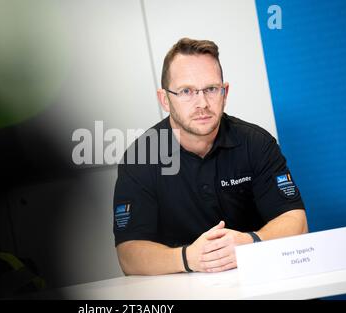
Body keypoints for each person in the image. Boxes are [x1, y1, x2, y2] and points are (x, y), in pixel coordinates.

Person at [113, 38, 308, 275]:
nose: (202, 103)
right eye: (186, 91)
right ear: (165, 99)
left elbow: (296, 221)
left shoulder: (256, 143)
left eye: (211, 89)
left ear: (224, 93)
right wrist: (189, 258)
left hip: (261, 280)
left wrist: (251, 242)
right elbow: (129, 256)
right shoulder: (140, 158)